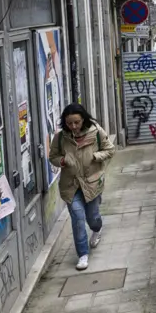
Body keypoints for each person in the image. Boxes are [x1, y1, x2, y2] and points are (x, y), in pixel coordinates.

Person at [49, 103, 115, 270]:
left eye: (76, 122)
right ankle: (83, 255)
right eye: (69, 123)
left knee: (92, 217)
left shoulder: (96, 131)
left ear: (83, 120)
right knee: (78, 218)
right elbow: (53, 156)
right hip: (70, 185)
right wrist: (62, 161)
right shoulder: (61, 137)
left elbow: (110, 149)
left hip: (91, 181)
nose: (73, 126)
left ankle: (97, 229)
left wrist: (95, 156)